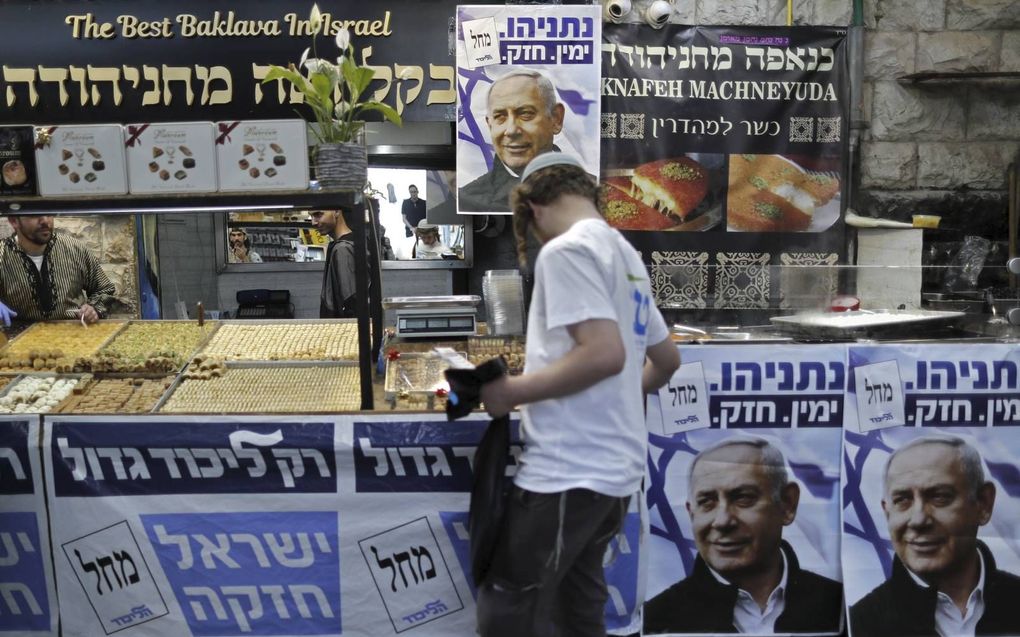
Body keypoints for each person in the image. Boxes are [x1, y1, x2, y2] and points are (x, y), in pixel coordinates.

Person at [476, 152, 680, 637]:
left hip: (570, 470)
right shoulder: (624, 254)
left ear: (534, 209)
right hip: (614, 473)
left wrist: (511, 390)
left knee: (509, 605)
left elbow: (604, 354)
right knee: (577, 604)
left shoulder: (566, 251)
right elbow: (666, 361)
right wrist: (614, 394)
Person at [643, 436, 843, 635]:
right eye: (706, 502)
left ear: (787, 504)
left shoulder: (838, 606)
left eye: (743, 498)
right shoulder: (658, 620)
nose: (722, 521)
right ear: (691, 512)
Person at [849, 434, 1020, 637]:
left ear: (983, 503)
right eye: (902, 500)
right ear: (887, 512)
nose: (919, 520)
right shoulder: (861, 624)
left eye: (939, 497)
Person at [459, 69, 567, 213]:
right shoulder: (470, 199)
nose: (511, 130)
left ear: (556, 119)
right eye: (500, 117)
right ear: (489, 124)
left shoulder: (589, 192)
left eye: (525, 114)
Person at [0, 214, 116, 325]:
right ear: (14, 221)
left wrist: (93, 309)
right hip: (18, 338)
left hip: (74, 336)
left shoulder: (74, 249)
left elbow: (104, 289)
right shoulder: (2, 254)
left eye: (48, 213)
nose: (45, 221)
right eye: (35, 215)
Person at [310, 209, 357, 318]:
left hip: (344, 329)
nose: (313, 222)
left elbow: (351, 301)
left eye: (318, 214)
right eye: (311, 216)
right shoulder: (346, 244)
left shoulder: (343, 248)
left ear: (336, 211)